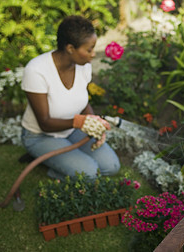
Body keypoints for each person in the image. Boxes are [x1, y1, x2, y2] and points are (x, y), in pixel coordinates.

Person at [20, 15, 120, 180]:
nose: (93, 54)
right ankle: (45, 159)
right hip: (41, 136)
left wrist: (95, 124)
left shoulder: (83, 66)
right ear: (70, 48)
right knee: (90, 173)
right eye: (89, 49)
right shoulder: (36, 70)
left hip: (71, 131)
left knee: (112, 167)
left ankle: (62, 162)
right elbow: (44, 123)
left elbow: (82, 103)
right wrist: (81, 122)